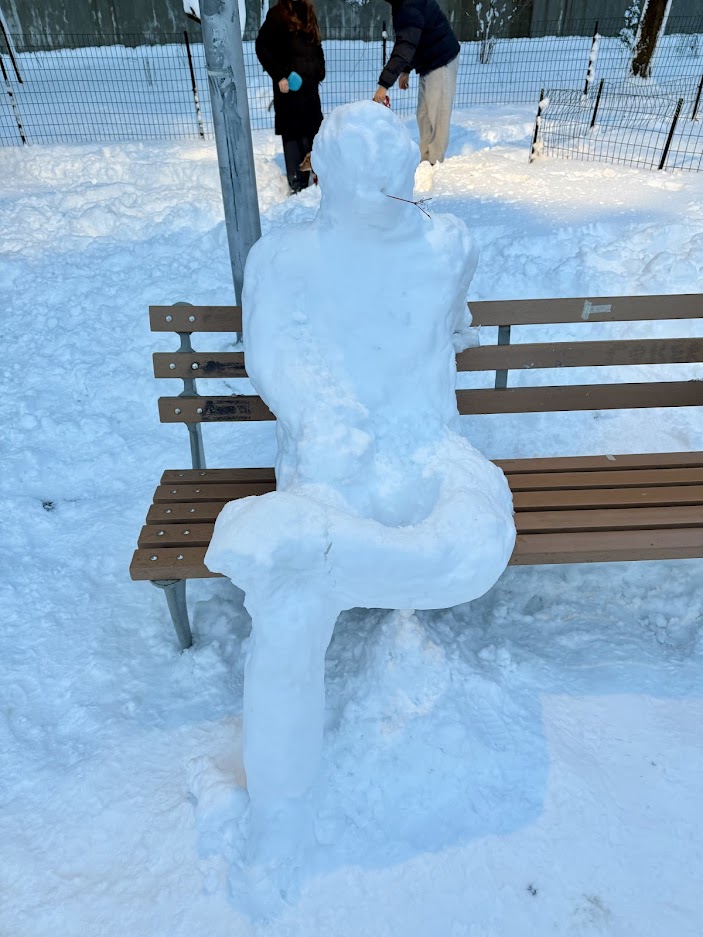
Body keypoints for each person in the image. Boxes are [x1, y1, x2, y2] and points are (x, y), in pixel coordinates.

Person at [373, 0, 460, 165]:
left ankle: (435, 163)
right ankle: (425, 159)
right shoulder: (402, 4)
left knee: (437, 114)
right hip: (428, 60)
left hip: (441, 59)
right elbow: (411, 39)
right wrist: (406, 69)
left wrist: (384, 85)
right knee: (423, 114)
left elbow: (405, 45)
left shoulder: (410, 5)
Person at [256, 0, 325, 193]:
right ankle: (298, 186)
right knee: (294, 135)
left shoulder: (309, 11)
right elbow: (262, 47)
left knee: (315, 133)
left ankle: (318, 182)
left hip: (310, 88)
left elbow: (317, 45)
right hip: (290, 89)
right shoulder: (278, 14)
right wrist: (279, 76)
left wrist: (320, 70)